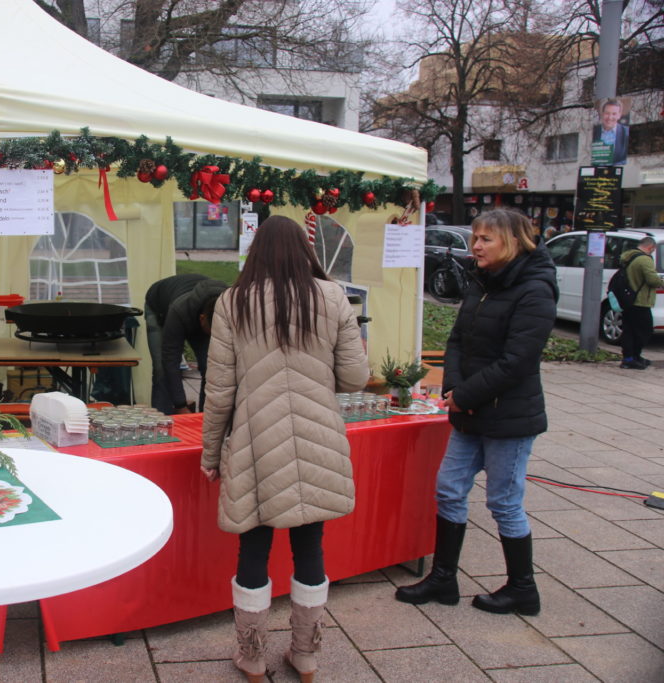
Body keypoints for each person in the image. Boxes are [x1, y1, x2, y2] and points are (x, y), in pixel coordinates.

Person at [200, 216, 369, 683]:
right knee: (310, 546)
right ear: (305, 250)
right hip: (318, 435)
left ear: (257, 251)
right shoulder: (333, 296)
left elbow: (219, 391)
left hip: (256, 441)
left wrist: (211, 455)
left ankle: (252, 657)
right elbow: (355, 377)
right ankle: (306, 656)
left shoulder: (233, 301)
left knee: (253, 547)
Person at [394, 209, 557, 618]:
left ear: (513, 242)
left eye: (486, 239)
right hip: (469, 411)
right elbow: (457, 341)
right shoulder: (482, 283)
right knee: (449, 488)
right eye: (475, 238)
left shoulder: (535, 289)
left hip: (508, 417)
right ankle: (443, 578)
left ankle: (523, 589)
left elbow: (517, 361)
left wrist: (465, 395)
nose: (476, 246)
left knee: (504, 502)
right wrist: (453, 388)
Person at [144, 273, 227, 414]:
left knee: (210, 366)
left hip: (197, 311)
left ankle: (204, 417)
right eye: (211, 332)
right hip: (158, 306)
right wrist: (180, 405)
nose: (213, 336)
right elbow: (170, 359)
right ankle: (162, 420)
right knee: (161, 369)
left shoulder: (229, 308)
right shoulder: (179, 310)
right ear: (202, 319)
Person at [619, 236, 662, 370]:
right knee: (644, 331)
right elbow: (652, 280)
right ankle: (630, 358)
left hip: (628, 299)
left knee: (629, 330)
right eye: (653, 249)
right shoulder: (645, 259)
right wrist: (661, 282)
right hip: (640, 301)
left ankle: (632, 357)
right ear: (650, 247)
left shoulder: (629, 256)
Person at [593, 98, 628, 166]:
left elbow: (624, 159)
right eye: (607, 113)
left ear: (619, 115)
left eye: (614, 114)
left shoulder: (626, 133)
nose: (610, 117)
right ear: (602, 114)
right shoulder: (594, 131)